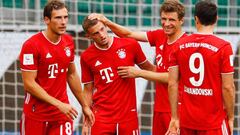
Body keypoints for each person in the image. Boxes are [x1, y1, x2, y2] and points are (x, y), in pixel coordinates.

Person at [88, 0, 186, 134]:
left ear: (181, 21)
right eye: (164, 19)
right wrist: (107, 22)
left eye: (172, 20)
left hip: (178, 109)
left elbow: (173, 78)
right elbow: (129, 34)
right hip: (159, 108)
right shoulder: (159, 35)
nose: (167, 23)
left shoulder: (185, 45)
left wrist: (138, 73)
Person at [19, 1, 94, 135]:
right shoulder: (31, 45)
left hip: (61, 115)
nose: (63, 22)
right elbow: (29, 84)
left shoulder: (68, 41)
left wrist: (84, 105)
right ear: (46, 20)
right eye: (58, 18)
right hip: (36, 114)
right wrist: (58, 104)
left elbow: (71, 74)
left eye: (65, 17)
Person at [167, 1, 235, 135]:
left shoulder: (178, 45)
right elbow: (228, 87)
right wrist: (231, 117)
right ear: (216, 19)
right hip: (213, 122)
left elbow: (172, 83)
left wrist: (175, 117)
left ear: (196, 19)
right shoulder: (224, 47)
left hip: (187, 120)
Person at [80, 15, 155, 135]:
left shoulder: (130, 45)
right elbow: (88, 90)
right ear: (88, 36)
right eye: (96, 33)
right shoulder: (87, 57)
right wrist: (86, 121)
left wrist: (171, 76)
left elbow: (150, 69)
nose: (102, 35)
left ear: (106, 26)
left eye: (102, 29)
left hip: (127, 116)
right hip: (101, 117)